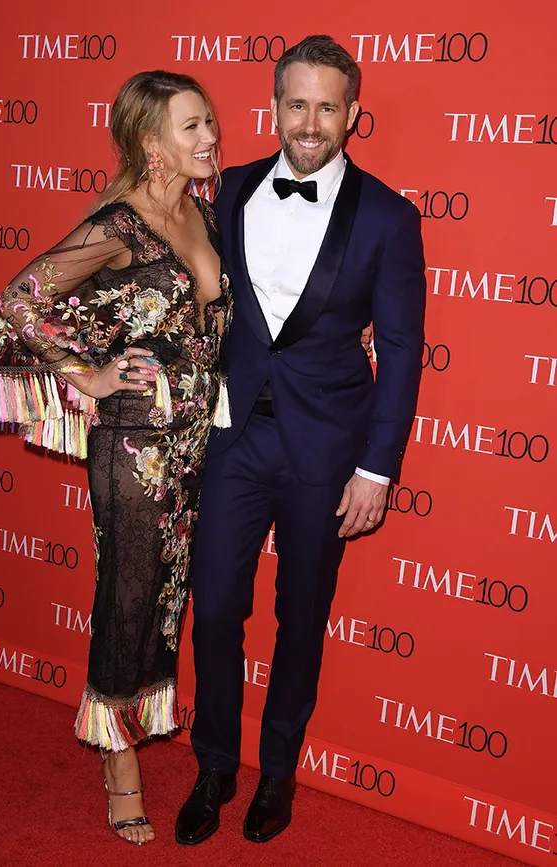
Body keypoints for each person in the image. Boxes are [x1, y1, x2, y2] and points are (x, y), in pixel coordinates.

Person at [176, 35, 426, 846]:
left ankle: (277, 769)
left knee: (301, 615)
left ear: (352, 113)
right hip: (234, 438)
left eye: (327, 105)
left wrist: (377, 468)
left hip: (328, 452)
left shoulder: (389, 217)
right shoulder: (231, 187)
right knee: (212, 605)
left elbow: (401, 349)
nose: (310, 121)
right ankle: (215, 761)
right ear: (273, 106)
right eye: (296, 103)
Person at [0, 70, 232, 846]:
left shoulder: (202, 210)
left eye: (209, 123)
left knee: (166, 598)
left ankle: (130, 721)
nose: (209, 138)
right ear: (148, 142)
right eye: (191, 127)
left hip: (192, 445)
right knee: (129, 594)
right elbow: (19, 300)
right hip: (132, 442)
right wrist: (83, 375)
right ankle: (118, 763)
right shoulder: (121, 225)